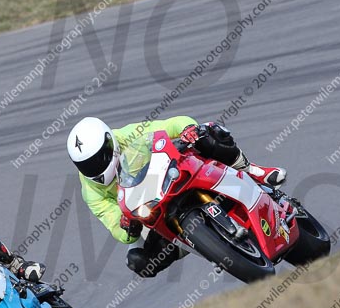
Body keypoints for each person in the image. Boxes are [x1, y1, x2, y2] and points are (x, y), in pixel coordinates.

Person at [66, 116, 286, 278]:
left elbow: (169, 125)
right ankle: (197, 245)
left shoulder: (126, 136)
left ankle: (254, 171)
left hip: (168, 176)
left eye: (97, 159)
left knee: (209, 133)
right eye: (86, 165)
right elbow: (113, 224)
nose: (94, 168)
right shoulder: (90, 191)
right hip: (146, 211)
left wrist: (188, 130)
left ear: (110, 143)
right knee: (139, 261)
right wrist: (125, 227)